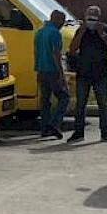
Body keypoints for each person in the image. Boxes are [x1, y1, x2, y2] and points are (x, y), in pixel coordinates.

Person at [67, 5, 107, 143]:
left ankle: (105, 133)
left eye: (94, 16)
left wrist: (102, 34)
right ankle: (78, 133)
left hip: (100, 74)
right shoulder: (81, 30)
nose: (91, 19)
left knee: (103, 104)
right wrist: (81, 32)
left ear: (99, 18)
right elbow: (72, 49)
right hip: (83, 73)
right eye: (89, 16)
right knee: (80, 105)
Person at [34, 9, 70, 139]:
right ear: (57, 19)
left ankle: (44, 129)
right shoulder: (55, 33)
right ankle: (55, 124)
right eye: (62, 21)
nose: (63, 24)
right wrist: (61, 73)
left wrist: (37, 69)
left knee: (45, 100)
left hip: (41, 70)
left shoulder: (39, 32)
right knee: (64, 97)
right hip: (52, 70)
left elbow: (36, 53)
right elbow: (56, 53)